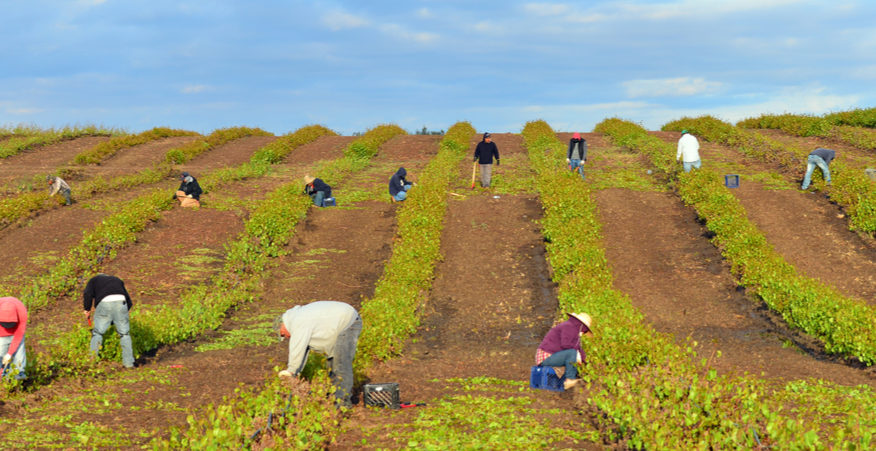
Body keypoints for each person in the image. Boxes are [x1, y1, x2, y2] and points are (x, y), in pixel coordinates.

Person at [274, 301, 362, 407]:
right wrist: (295, 372)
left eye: (283, 334)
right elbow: (303, 349)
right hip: (340, 321)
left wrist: (291, 371)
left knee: (341, 366)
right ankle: (334, 399)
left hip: (348, 322)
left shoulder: (298, 322)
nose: (286, 337)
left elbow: (296, 348)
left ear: (283, 326)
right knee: (332, 367)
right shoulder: (296, 318)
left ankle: (342, 404)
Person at [83, 274, 135, 368]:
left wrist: (87, 309)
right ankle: (129, 364)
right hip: (121, 301)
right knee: (125, 334)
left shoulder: (93, 280)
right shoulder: (117, 279)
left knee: (98, 333)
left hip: (104, 302)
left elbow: (87, 294)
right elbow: (129, 302)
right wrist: (118, 318)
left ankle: (92, 361)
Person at [535, 312, 593, 390]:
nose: (583, 333)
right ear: (581, 326)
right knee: (572, 353)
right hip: (546, 356)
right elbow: (566, 345)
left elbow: (578, 349)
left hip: (553, 356)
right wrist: (577, 355)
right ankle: (570, 379)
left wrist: (586, 363)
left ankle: (565, 379)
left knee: (574, 354)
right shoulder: (568, 327)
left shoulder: (574, 330)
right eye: (584, 330)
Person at [0, 297, 28, 380]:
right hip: (1, 335)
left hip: (16, 333)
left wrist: (9, 354)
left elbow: (19, 334)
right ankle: (2, 378)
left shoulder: (21, 311)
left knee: (19, 356)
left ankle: (17, 376)